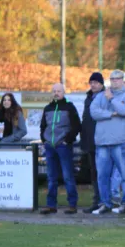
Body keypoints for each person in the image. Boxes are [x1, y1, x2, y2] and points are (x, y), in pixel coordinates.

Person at [90, 70, 125, 215]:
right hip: (103, 142)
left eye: (117, 79)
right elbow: (93, 112)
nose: (115, 81)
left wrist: (112, 100)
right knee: (102, 176)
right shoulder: (99, 96)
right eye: (112, 79)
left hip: (121, 142)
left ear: (122, 80)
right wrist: (111, 114)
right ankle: (106, 203)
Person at [39, 83, 82, 215]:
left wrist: (66, 140)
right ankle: (51, 205)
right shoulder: (47, 108)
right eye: (54, 91)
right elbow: (43, 126)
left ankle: (72, 205)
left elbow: (77, 126)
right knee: (51, 177)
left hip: (63, 146)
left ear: (64, 92)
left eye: (59, 91)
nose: (56, 93)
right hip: (50, 147)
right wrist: (44, 140)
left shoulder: (69, 107)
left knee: (68, 176)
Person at [81, 72, 104, 214]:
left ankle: (104, 201)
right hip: (90, 142)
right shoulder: (88, 98)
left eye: (96, 82)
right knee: (94, 173)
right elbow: (86, 120)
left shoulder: (105, 97)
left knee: (103, 173)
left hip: (102, 141)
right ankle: (97, 201)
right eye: (91, 82)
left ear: (101, 84)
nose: (93, 85)